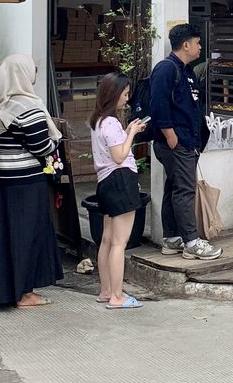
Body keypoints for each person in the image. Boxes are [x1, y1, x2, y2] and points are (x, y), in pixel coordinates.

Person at [0, 54, 64, 307]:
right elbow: (41, 145)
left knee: (1, 234)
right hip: (23, 180)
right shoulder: (27, 106)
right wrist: (54, 142)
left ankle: (0, 289)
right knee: (26, 235)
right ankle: (25, 292)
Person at [149, 23, 222, 260]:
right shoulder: (166, 68)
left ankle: (171, 238)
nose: (200, 47)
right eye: (198, 42)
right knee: (185, 190)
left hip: (187, 141)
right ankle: (191, 241)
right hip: (175, 142)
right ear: (186, 44)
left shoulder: (186, 70)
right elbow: (158, 105)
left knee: (175, 188)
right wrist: (170, 136)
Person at [89, 73, 145, 309]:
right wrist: (132, 132)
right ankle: (117, 296)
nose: (127, 99)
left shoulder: (98, 121)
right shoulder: (111, 123)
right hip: (120, 179)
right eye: (124, 94)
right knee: (119, 243)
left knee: (107, 240)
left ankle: (106, 291)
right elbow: (119, 155)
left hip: (105, 182)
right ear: (113, 95)